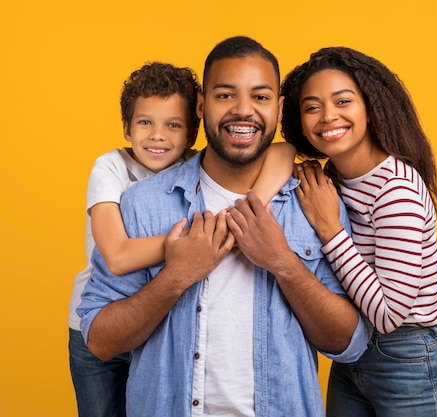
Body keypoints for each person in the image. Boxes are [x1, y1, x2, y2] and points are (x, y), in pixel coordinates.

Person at [77, 36, 369, 417]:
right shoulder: (142, 203)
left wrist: (283, 261)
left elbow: (350, 341)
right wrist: (176, 276)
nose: (243, 111)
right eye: (225, 95)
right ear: (201, 105)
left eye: (261, 97)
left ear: (280, 110)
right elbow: (99, 340)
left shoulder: (313, 203)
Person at [68, 61, 296, 417]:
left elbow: (283, 152)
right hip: (94, 319)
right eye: (145, 122)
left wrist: (248, 212)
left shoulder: (192, 164)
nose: (158, 136)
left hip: (154, 329)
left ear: (193, 133)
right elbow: (116, 256)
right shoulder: (111, 168)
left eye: (172, 125)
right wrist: (203, 243)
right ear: (126, 128)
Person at [281, 47, 437, 416]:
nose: (328, 116)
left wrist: (330, 228)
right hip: (353, 352)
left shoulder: (395, 189)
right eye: (312, 107)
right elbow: (277, 154)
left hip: (412, 359)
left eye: (343, 101)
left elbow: (388, 314)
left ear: (370, 106)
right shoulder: (331, 180)